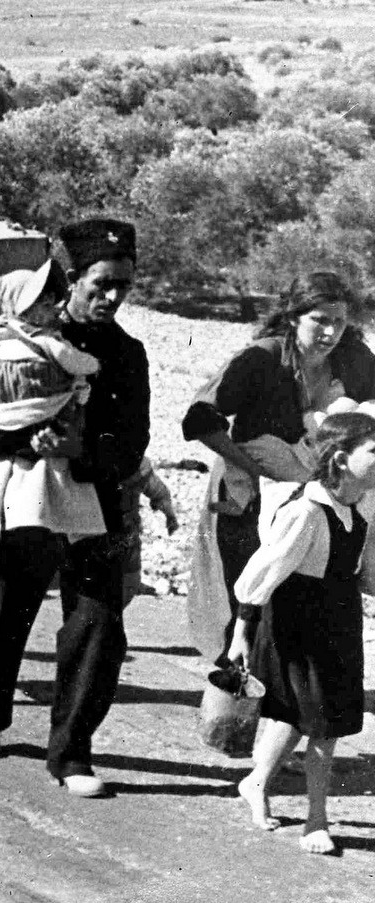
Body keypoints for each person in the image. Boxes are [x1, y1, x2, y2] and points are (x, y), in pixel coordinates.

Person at [0, 218, 151, 799]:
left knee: (98, 624)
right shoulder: (10, 334)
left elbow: (132, 442)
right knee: (6, 610)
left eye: (123, 286)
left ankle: (70, 754)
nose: (112, 297)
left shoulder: (126, 353)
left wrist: (81, 450)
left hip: (99, 508)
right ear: (71, 279)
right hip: (23, 501)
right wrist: (30, 442)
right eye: (101, 284)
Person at [183, 272, 375, 660]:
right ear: (293, 317)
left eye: (338, 321)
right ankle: (230, 700)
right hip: (249, 489)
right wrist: (253, 469)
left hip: (319, 498)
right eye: (319, 320)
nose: (330, 332)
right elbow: (200, 420)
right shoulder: (264, 357)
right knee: (245, 595)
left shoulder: (354, 358)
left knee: (299, 598)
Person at [228, 411, 375, 856]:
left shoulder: (361, 508)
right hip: (299, 624)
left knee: (304, 716)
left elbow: (365, 577)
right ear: (342, 460)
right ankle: (316, 820)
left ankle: (254, 782)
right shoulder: (306, 511)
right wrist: (240, 635)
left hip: (340, 620)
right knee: (322, 726)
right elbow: (260, 575)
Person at [0, 260, 107, 554]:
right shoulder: (45, 340)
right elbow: (76, 362)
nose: (53, 308)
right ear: (26, 308)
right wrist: (94, 364)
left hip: (0, 417)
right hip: (43, 407)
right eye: (44, 304)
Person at [123, 456, 180, 598]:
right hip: (124, 531)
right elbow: (159, 491)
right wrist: (170, 516)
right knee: (128, 581)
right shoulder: (132, 459)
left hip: (83, 531)